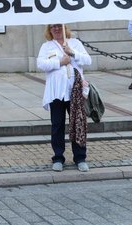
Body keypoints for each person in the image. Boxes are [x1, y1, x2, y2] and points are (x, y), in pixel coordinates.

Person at [36, 23, 93, 172]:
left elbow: (88, 60)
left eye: (58, 26)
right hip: (56, 92)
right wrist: (59, 62)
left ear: (64, 28)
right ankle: (58, 157)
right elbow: (41, 64)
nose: (56, 29)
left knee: (77, 123)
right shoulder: (47, 46)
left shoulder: (75, 43)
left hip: (74, 91)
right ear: (49, 30)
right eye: (52, 27)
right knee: (57, 125)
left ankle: (80, 157)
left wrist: (72, 53)